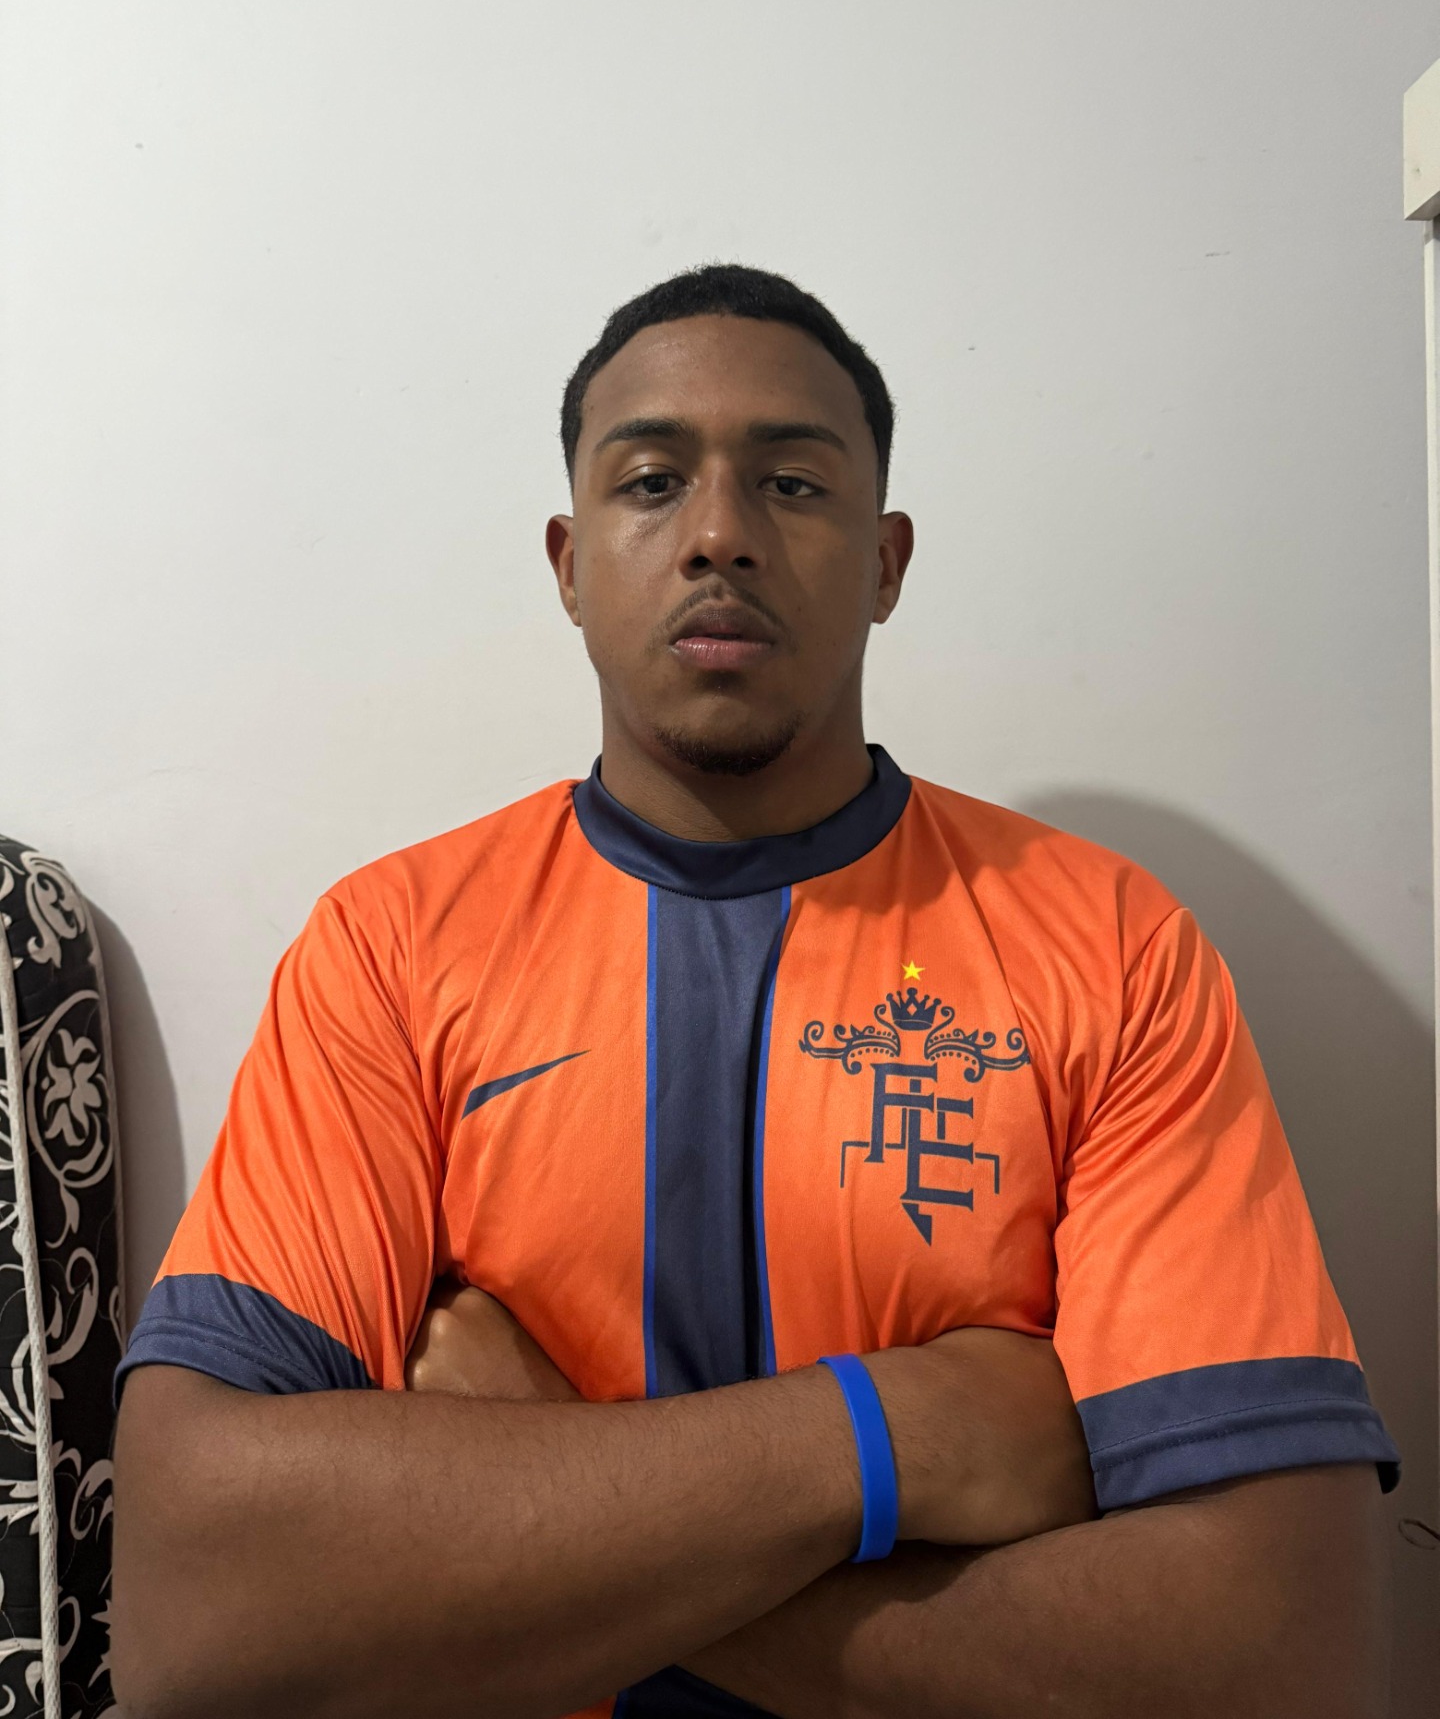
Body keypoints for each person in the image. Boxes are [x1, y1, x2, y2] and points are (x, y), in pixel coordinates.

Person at [111, 266, 1398, 1719]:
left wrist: (538, 1481)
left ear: (887, 562)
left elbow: (1285, 1655)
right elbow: (190, 1616)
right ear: (568, 564)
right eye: (651, 481)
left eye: (792, 483)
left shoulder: (1110, 947)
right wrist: (898, 1431)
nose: (719, 532)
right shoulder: (390, 949)